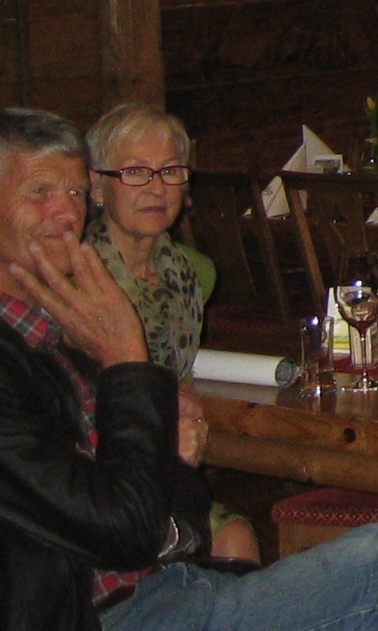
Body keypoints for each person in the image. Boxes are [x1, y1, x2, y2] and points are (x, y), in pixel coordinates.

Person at [0, 108, 378, 631]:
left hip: (171, 589)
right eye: (40, 191)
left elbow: (172, 501)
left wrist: (164, 448)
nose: (66, 212)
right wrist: (126, 364)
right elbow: (123, 530)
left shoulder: (50, 328)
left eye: (72, 192)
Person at [83, 103, 261, 565]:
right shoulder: (79, 280)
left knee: (235, 537)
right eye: (135, 172)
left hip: (170, 463)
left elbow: (178, 378)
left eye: (170, 171)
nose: (157, 188)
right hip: (101, 472)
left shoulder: (191, 273)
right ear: (97, 186)